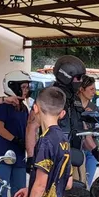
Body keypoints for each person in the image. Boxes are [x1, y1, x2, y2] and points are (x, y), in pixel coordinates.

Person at [24, 55, 88, 185]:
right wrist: (31, 157)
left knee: (80, 196)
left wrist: (95, 150)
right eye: (78, 78)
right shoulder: (49, 96)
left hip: (75, 157)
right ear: (67, 76)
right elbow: (32, 126)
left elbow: (82, 127)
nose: (80, 81)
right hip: (53, 157)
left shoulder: (74, 99)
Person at [77, 75, 99, 183]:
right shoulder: (74, 105)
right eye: (91, 89)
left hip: (90, 149)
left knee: (87, 182)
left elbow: (96, 129)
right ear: (81, 89)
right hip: (76, 148)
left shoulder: (94, 108)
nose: (94, 92)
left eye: (95, 89)